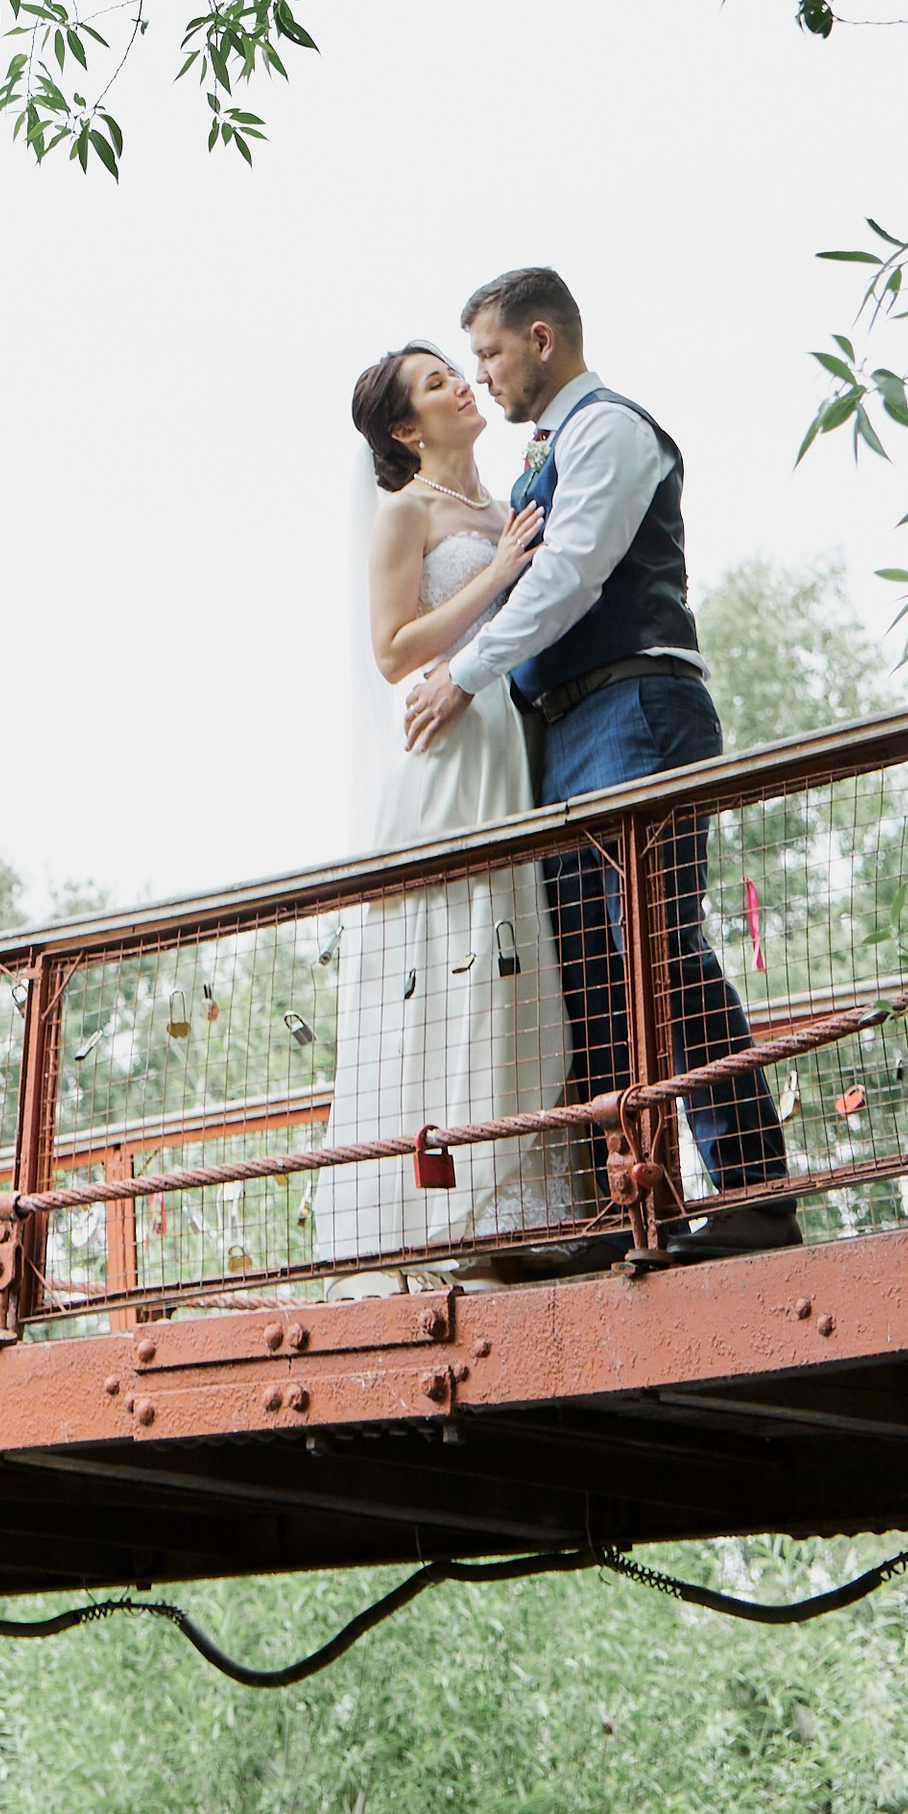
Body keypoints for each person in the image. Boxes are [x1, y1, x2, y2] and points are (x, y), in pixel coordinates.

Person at [402, 266, 799, 1257]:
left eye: (488, 354)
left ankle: (753, 1194)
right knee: (585, 969)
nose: (481, 376)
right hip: (561, 733)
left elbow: (575, 571)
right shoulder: (538, 454)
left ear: (540, 340)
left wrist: (462, 674)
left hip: (635, 705)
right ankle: (637, 1202)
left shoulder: (612, 430)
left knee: (655, 949)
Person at [323, 344, 585, 1286]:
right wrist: (496, 571)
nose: (460, 385)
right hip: (445, 759)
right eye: (437, 383)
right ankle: (431, 1217)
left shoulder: (509, 498)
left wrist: (514, 551)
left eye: (457, 372)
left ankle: (507, 1200)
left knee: (512, 958)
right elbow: (393, 654)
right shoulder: (407, 513)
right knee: (444, 957)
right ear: (406, 427)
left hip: (509, 743)